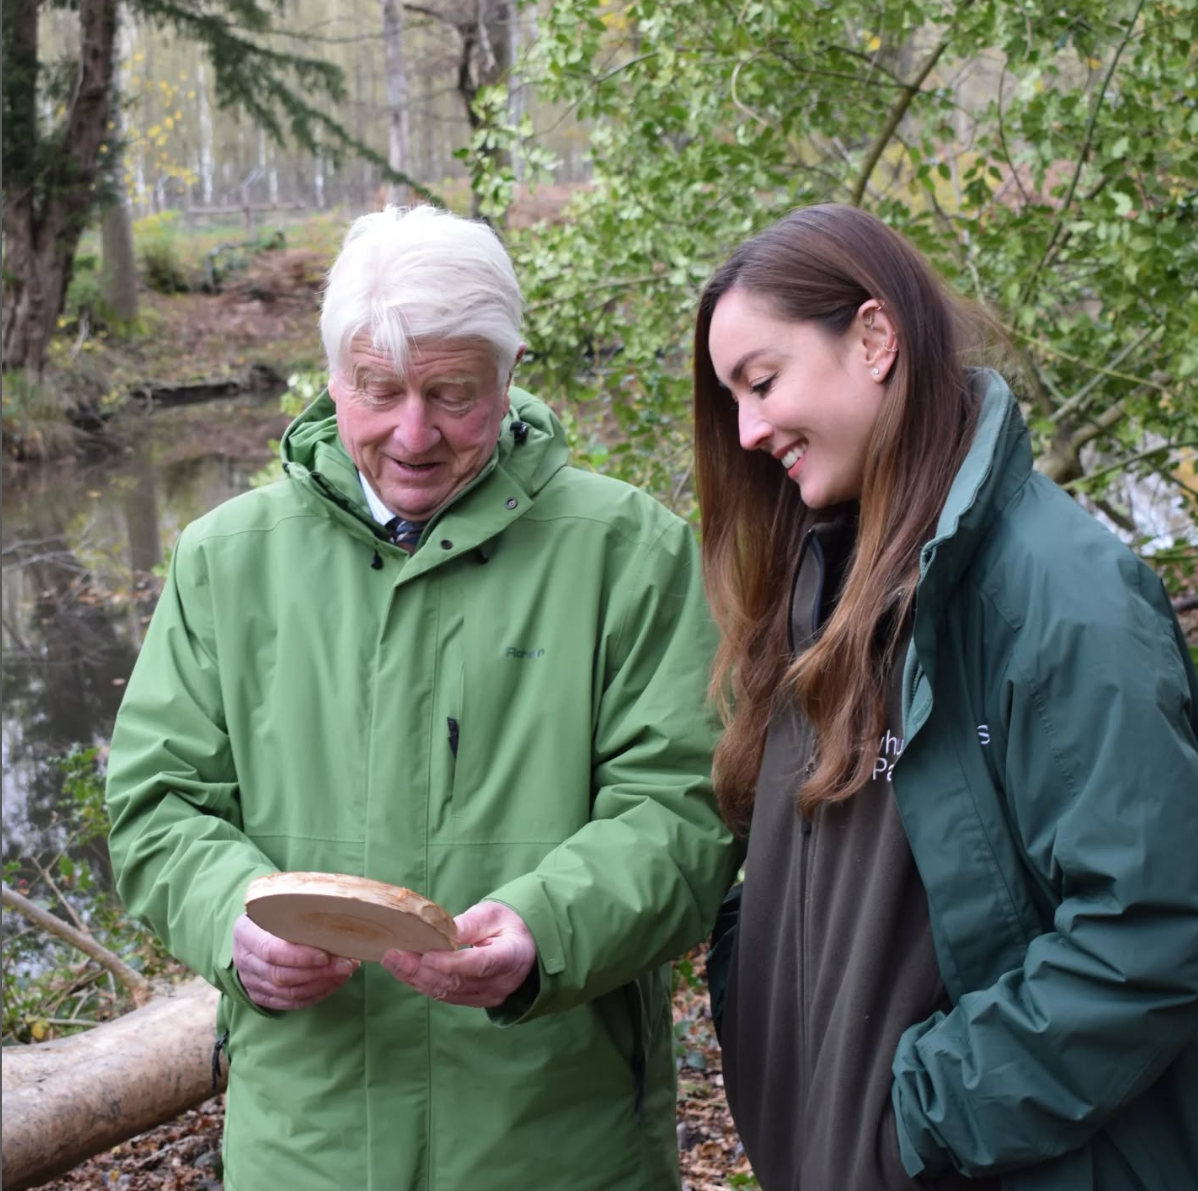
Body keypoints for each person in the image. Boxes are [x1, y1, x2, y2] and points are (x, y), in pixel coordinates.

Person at [105, 204, 739, 1191]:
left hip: (560, 1146)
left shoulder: (627, 551)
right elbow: (158, 801)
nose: (414, 433)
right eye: (380, 390)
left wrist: (545, 932)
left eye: (451, 394)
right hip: (307, 1146)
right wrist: (232, 917)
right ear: (330, 376)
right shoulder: (226, 563)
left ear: (510, 372)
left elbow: (684, 805)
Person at [692, 203, 1198, 1191]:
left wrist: (919, 1117)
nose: (748, 431)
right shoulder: (820, 590)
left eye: (762, 383)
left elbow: (1150, 932)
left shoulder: (1063, 598)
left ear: (875, 338)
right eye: (732, 400)